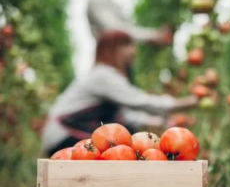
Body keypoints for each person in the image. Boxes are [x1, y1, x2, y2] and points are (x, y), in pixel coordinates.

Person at [42, 30, 198, 157]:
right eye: (126, 45)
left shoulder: (106, 76)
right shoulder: (104, 76)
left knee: (122, 141)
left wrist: (162, 123)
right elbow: (139, 101)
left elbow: (126, 116)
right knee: (120, 146)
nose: (133, 51)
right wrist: (185, 102)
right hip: (63, 135)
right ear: (112, 50)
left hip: (68, 131)